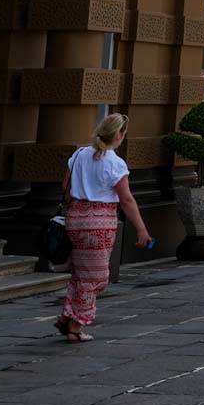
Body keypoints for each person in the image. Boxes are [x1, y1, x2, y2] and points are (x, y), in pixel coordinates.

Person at [56, 113, 151, 343]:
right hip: (100, 223)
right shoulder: (115, 163)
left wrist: (79, 205)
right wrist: (141, 228)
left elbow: (65, 187)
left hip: (75, 217)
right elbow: (126, 199)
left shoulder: (79, 154)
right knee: (96, 277)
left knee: (81, 273)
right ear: (119, 135)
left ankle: (68, 316)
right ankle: (76, 325)